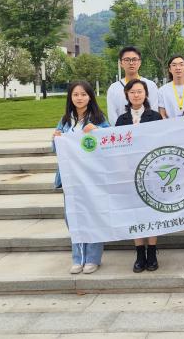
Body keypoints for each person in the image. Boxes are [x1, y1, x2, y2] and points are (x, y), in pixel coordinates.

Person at [53, 81, 110, 275]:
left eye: (84, 94)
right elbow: (56, 149)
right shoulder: (65, 121)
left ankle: (93, 258)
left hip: (92, 178)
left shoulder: (99, 118)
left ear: (90, 97)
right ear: (70, 97)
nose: (79, 98)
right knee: (73, 217)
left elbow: (109, 142)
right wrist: (55, 138)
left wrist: (97, 131)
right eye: (76, 94)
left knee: (92, 216)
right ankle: (78, 258)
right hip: (71, 179)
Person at [115, 79, 162, 273]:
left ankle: (152, 252)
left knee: (151, 213)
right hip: (129, 173)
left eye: (140, 91)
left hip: (151, 172)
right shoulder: (121, 120)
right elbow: (117, 150)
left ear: (146, 94)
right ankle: (139, 253)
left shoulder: (155, 117)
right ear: (127, 95)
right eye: (132, 92)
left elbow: (161, 143)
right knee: (135, 213)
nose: (136, 95)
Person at [107, 46, 159, 125]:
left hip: (147, 129)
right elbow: (112, 115)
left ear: (140, 62)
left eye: (134, 59)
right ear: (121, 63)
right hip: (122, 129)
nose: (131, 63)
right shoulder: (113, 88)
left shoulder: (150, 85)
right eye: (127, 60)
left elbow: (154, 110)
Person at [158, 55, 184, 119]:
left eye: (181, 64)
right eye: (174, 65)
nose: (178, 68)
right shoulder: (162, 90)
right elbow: (162, 113)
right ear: (170, 69)